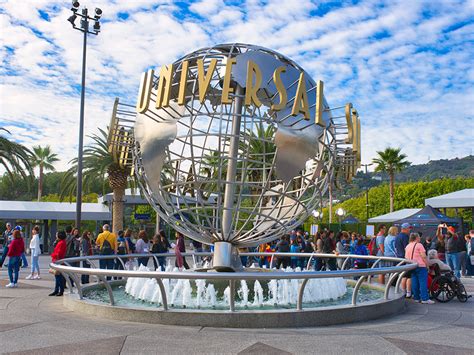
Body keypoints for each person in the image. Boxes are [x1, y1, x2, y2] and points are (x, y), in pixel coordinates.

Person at [405, 232, 434, 304]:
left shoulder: (408, 246)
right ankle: (425, 298)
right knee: (423, 282)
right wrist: (427, 265)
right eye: (419, 237)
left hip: (412, 265)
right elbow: (423, 256)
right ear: (417, 238)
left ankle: (416, 297)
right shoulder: (419, 245)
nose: (420, 238)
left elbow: (406, 257)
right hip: (420, 265)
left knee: (414, 282)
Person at [395, 223, 412, 297]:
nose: (410, 230)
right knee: (408, 276)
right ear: (404, 229)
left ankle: (403, 291)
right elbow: (407, 248)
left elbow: (396, 247)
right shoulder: (405, 237)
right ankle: (408, 292)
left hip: (399, 257)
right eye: (409, 228)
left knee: (403, 276)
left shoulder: (397, 236)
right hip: (405, 258)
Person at [50, 231, 67, 296]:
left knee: (58, 277)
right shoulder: (62, 242)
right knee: (57, 276)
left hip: (58, 260)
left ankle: (60, 290)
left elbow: (58, 253)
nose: (56, 236)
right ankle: (57, 290)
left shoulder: (61, 243)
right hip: (59, 260)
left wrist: (53, 255)